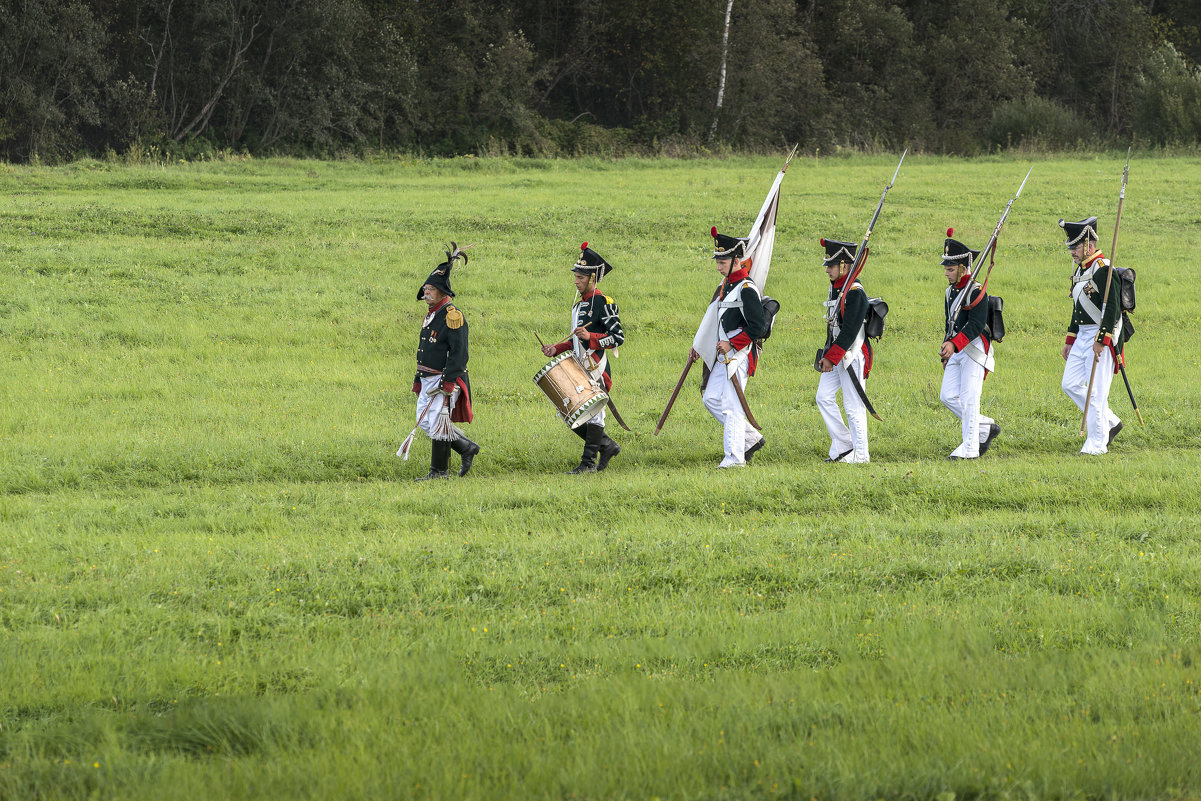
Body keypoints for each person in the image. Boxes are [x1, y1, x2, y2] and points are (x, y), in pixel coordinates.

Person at [541, 243, 624, 473]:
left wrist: (592, 336)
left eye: (580, 277)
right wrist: (555, 349)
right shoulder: (578, 306)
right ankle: (607, 446)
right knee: (567, 412)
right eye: (576, 277)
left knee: (595, 416)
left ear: (592, 278)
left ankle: (587, 463)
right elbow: (575, 340)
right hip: (577, 367)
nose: (576, 281)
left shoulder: (604, 303)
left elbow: (618, 337)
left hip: (597, 367)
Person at [692, 227, 767, 468]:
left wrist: (733, 344)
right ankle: (750, 438)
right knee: (711, 399)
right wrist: (700, 345)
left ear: (736, 260)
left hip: (740, 354)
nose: (718, 266)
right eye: (718, 260)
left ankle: (734, 459)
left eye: (722, 261)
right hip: (724, 353)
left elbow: (759, 327)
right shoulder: (727, 285)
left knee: (733, 405)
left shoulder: (746, 289)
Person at [412, 244, 479, 480]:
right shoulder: (432, 313)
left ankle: (439, 472)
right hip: (428, 378)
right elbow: (425, 349)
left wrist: (449, 383)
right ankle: (466, 447)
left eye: (431, 289)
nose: (426, 292)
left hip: (444, 379)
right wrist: (418, 378)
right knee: (426, 424)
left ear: (443, 292)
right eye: (426, 288)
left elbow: (459, 354)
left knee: (437, 424)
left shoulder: (453, 315)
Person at [1059, 217, 1124, 455]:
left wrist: (1101, 340)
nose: (1072, 253)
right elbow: (1078, 308)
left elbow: (1113, 311)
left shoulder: (1105, 269)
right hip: (1082, 336)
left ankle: (1097, 444)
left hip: (1100, 337)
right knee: (1070, 384)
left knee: (1096, 392)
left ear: (1088, 244)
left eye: (1075, 247)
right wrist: (1070, 338)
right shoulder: (1081, 270)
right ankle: (1109, 422)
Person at [939, 229, 1000, 460]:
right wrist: (947, 349)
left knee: (969, 399)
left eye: (951, 269)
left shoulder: (977, 291)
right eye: (946, 268)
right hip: (956, 350)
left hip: (974, 350)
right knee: (947, 397)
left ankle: (970, 449)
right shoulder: (950, 292)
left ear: (964, 268)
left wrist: (955, 345)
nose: (947, 273)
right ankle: (984, 426)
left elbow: (975, 325)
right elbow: (950, 324)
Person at [815, 238, 871, 463]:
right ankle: (844, 444)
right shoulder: (837, 288)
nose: (827, 269)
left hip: (853, 354)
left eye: (831, 265)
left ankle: (861, 454)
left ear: (845, 266)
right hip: (837, 353)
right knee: (823, 397)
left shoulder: (855, 291)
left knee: (853, 406)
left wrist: (831, 357)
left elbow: (850, 331)